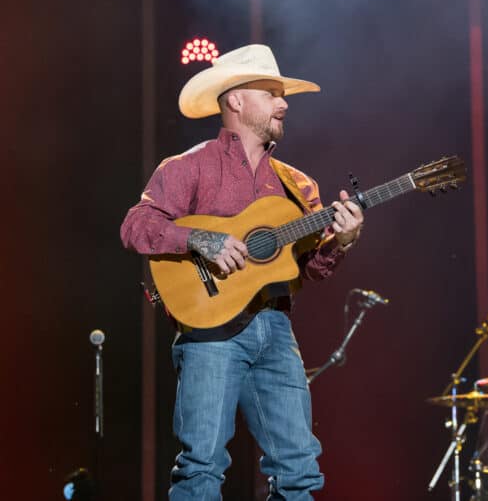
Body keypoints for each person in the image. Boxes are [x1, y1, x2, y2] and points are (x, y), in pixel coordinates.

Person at [121, 44, 364, 500]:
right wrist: (201, 239)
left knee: (299, 471)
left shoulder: (298, 185)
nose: (283, 103)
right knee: (201, 469)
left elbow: (313, 268)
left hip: (275, 325)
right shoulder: (189, 167)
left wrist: (344, 239)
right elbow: (136, 226)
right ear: (235, 100)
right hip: (210, 331)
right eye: (271, 93)